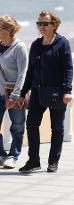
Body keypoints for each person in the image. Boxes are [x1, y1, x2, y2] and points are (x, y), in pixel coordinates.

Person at [18, 11, 73, 173]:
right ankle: (34, 160)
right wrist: (23, 92)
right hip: (37, 91)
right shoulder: (36, 44)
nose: (41, 27)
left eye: (45, 24)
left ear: (54, 25)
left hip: (57, 92)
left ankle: (53, 161)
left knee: (56, 128)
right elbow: (30, 71)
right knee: (31, 124)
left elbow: (68, 68)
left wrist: (67, 90)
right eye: (39, 24)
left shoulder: (63, 43)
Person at [0, 16, 28, 169]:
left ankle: (13, 156)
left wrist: (15, 95)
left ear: (9, 30)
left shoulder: (19, 47)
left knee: (17, 125)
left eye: (0, 27)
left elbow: (22, 74)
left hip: (13, 92)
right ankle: (1, 155)